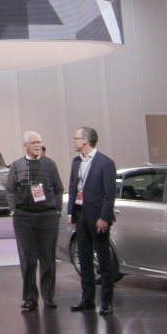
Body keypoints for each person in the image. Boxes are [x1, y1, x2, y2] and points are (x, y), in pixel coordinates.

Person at [3, 131, 63, 311]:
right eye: (33, 143)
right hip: (24, 217)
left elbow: (58, 189)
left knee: (48, 258)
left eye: (39, 142)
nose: (37, 145)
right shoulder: (16, 166)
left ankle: (49, 297)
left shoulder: (50, 164)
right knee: (28, 258)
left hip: (47, 216)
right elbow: (10, 190)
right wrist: (14, 210)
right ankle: (30, 297)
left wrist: (57, 211)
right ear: (25, 146)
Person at [67, 127, 117, 316]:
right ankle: (87, 299)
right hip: (80, 215)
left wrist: (104, 217)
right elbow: (73, 187)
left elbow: (109, 195)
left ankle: (107, 301)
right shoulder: (76, 162)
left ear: (85, 141)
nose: (73, 141)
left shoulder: (105, 163)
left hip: (98, 218)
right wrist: (70, 212)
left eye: (76, 138)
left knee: (103, 260)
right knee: (84, 258)